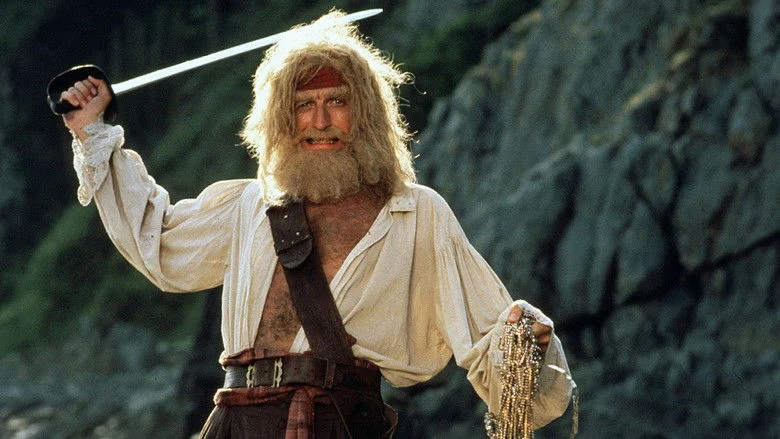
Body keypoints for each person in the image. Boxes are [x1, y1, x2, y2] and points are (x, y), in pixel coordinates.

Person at [60, 10, 574, 439]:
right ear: (281, 119)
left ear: (366, 114)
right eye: (303, 105)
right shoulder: (249, 206)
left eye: (337, 102)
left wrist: (526, 343)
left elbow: (490, 333)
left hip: (338, 424)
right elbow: (161, 243)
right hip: (234, 422)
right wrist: (93, 132)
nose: (321, 121)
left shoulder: (415, 214)